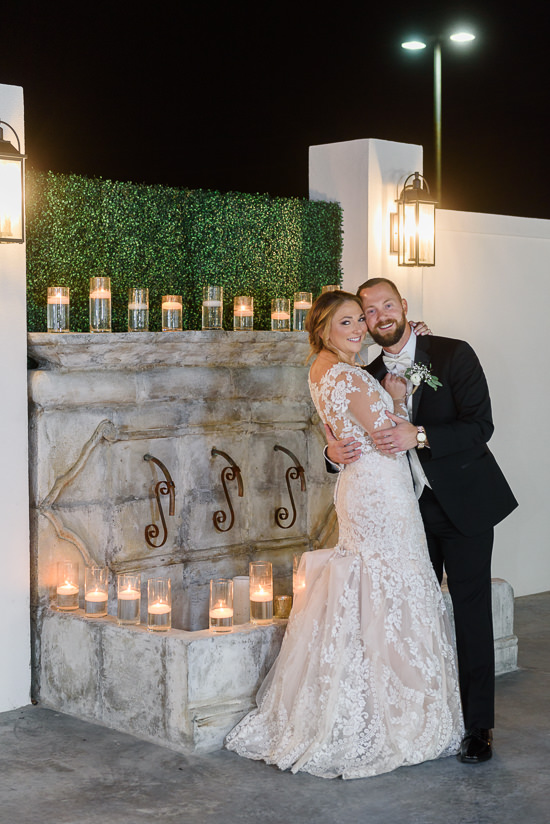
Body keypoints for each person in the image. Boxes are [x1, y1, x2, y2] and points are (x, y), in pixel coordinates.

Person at [225, 290, 464, 779]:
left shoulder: (320, 370)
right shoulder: (351, 376)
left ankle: (359, 698)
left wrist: (413, 338)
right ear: (324, 329)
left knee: (370, 588)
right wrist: (396, 400)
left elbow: (346, 431)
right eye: (347, 322)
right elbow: (389, 439)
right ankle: (384, 710)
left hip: (363, 488)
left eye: (361, 319)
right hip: (381, 494)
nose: (359, 329)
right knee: (391, 585)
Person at [325, 278, 518, 764]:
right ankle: (421, 718)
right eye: (369, 311)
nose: (380, 316)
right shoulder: (365, 373)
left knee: (470, 614)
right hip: (403, 512)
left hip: (464, 505)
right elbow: (346, 431)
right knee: (410, 615)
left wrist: (422, 435)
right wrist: (331, 455)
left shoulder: (453, 353)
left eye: (387, 305)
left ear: (404, 306)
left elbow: (480, 425)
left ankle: (477, 727)